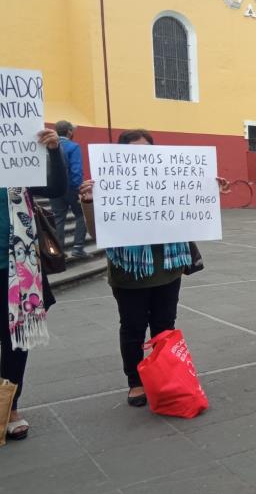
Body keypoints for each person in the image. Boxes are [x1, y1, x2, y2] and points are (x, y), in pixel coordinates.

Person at [79, 129, 230, 407]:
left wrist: (208, 189)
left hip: (167, 268)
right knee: (133, 327)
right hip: (129, 271)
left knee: (164, 325)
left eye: (146, 151)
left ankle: (166, 375)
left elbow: (192, 209)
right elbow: (95, 231)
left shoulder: (169, 180)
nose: (141, 157)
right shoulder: (108, 186)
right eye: (134, 152)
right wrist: (89, 202)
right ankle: (135, 381)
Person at [2, 128, 66, 441]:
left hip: (18, 268)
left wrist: (54, 151)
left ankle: (10, 407)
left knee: (17, 342)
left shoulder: (18, 161)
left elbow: (55, 186)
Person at [50, 120, 88, 258]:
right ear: (69, 132)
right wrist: (79, 189)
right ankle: (77, 248)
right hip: (71, 187)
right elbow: (76, 170)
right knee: (82, 215)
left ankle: (58, 250)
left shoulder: (49, 146)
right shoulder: (73, 146)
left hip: (53, 187)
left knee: (58, 217)